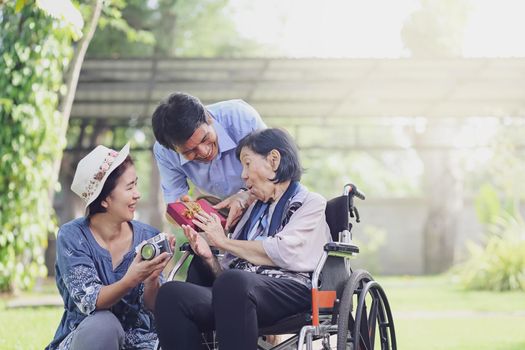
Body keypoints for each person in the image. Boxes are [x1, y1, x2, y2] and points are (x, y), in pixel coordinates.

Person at [154, 128, 332, 350]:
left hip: (292, 288)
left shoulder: (311, 203)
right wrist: (209, 257)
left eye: (247, 164)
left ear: (273, 160)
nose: (243, 175)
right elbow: (228, 273)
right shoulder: (253, 209)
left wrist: (223, 242)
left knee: (234, 282)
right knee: (172, 295)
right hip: (242, 291)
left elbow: (282, 251)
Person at [46, 143, 174, 350]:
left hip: (141, 344)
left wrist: (151, 281)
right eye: (130, 187)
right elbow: (91, 301)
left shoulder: (148, 236)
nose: (137, 194)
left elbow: (153, 308)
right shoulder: (72, 237)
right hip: (89, 340)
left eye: (137, 185)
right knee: (103, 324)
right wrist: (132, 278)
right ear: (105, 199)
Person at [151, 92, 266, 230]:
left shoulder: (240, 118)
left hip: (266, 199)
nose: (205, 152)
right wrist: (185, 211)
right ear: (173, 149)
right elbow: (171, 210)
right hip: (224, 216)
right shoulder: (165, 152)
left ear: (209, 118)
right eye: (189, 151)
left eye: (205, 138)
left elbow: (276, 172)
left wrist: (245, 197)